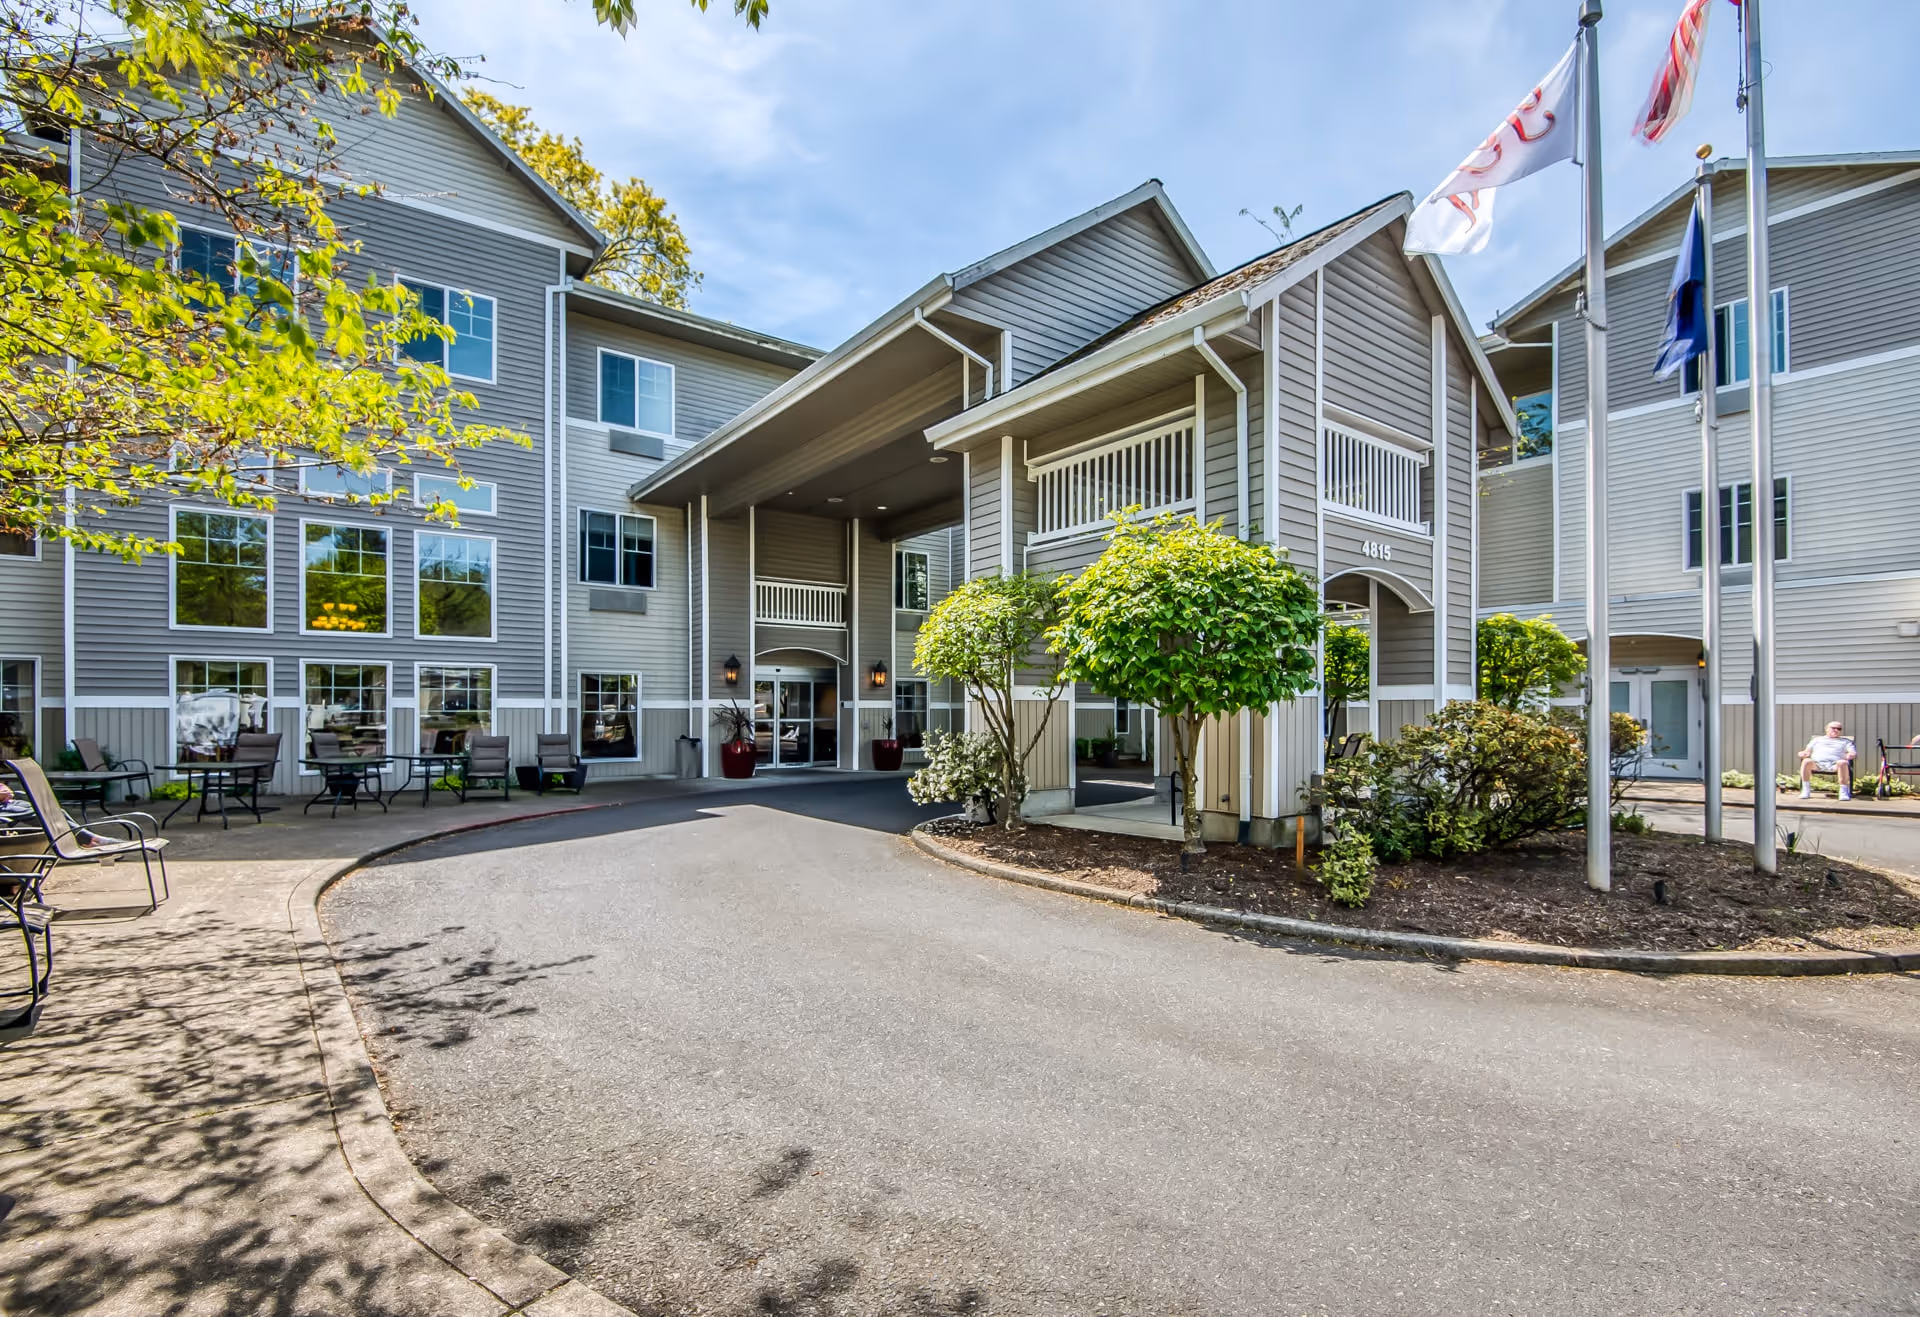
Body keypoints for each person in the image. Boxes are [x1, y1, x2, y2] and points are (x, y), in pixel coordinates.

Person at [1798, 721, 1857, 800]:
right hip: (1817, 764)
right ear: (1826, 729)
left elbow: (1852, 752)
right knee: (1806, 761)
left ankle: (1843, 792)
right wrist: (1803, 753)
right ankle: (1805, 790)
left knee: (1842, 762)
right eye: (1833, 728)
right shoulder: (1817, 740)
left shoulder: (1845, 741)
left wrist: (1850, 755)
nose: (1836, 730)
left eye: (1838, 729)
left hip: (1835, 765)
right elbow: (1807, 751)